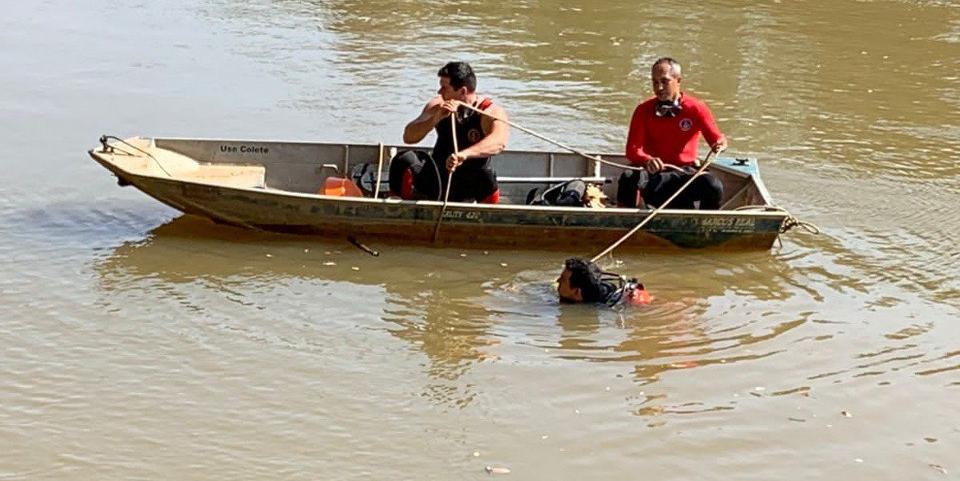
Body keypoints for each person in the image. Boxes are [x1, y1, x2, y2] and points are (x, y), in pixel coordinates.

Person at [389, 61, 509, 204]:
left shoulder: (489, 111)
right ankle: (402, 210)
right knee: (403, 159)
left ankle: (487, 218)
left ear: (462, 91)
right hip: (438, 177)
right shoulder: (437, 105)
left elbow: (499, 142)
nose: (439, 92)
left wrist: (463, 155)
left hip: (468, 182)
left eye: (444, 88)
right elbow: (408, 137)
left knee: (486, 175)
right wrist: (435, 118)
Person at [617, 57, 728, 210]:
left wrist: (720, 143)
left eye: (665, 81)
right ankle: (624, 220)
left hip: (684, 173)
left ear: (678, 80)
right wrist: (647, 160)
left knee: (713, 186)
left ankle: (705, 227)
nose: (659, 88)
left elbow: (716, 138)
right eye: (655, 82)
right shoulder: (643, 110)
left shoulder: (696, 108)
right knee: (629, 176)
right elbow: (632, 150)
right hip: (654, 174)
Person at [557, 258, 651, 306]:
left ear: (577, 291)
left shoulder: (627, 300)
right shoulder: (586, 287)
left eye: (562, 280)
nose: (558, 281)